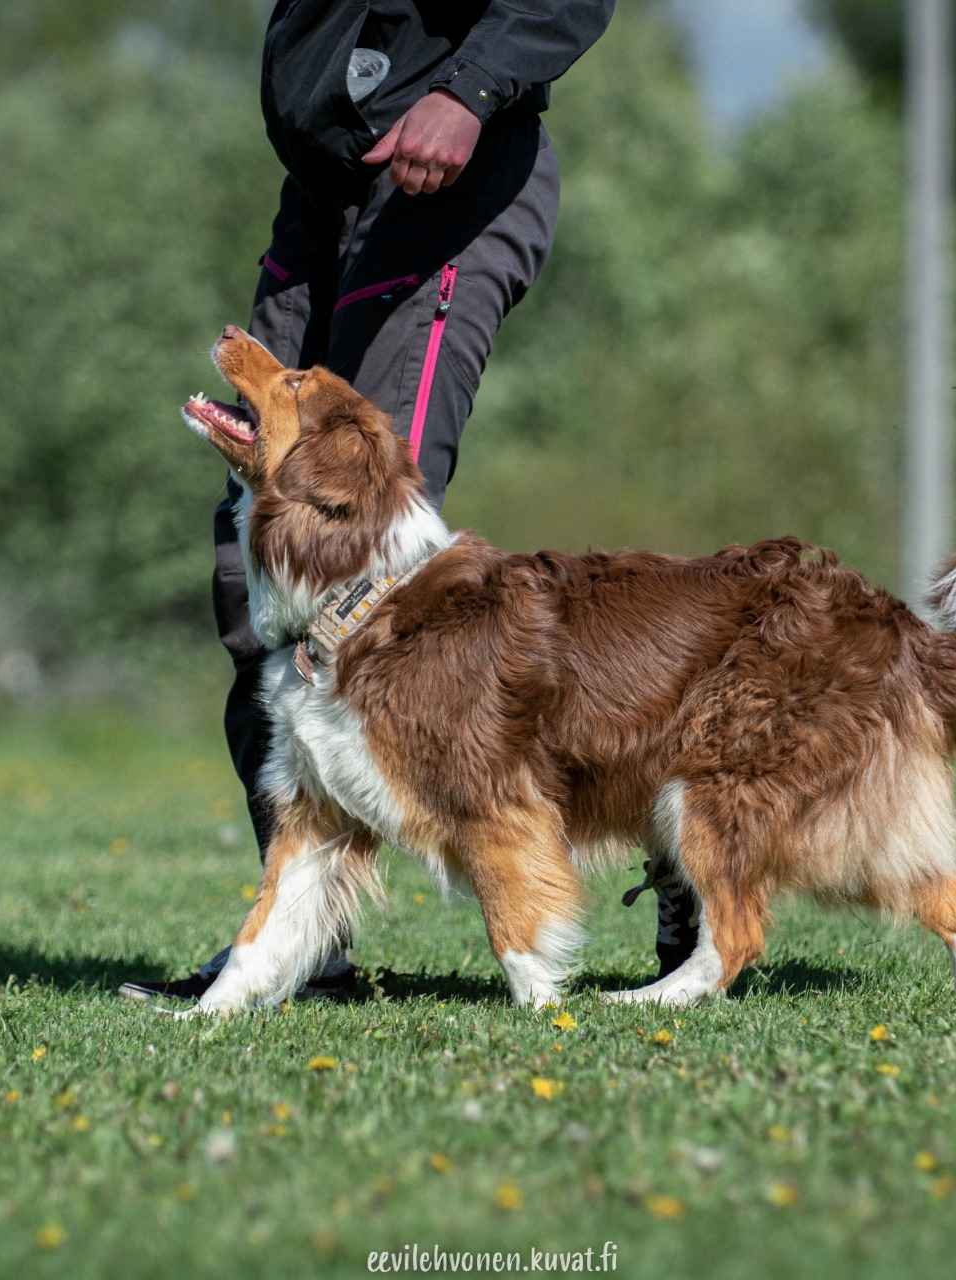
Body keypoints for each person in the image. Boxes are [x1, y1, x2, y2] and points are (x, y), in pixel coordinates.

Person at [122, 0, 702, 1006]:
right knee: (254, 573)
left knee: (373, 555)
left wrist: (468, 91)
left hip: (447, 191)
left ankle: (671, 835)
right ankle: (301, 947)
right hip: (321, 203)